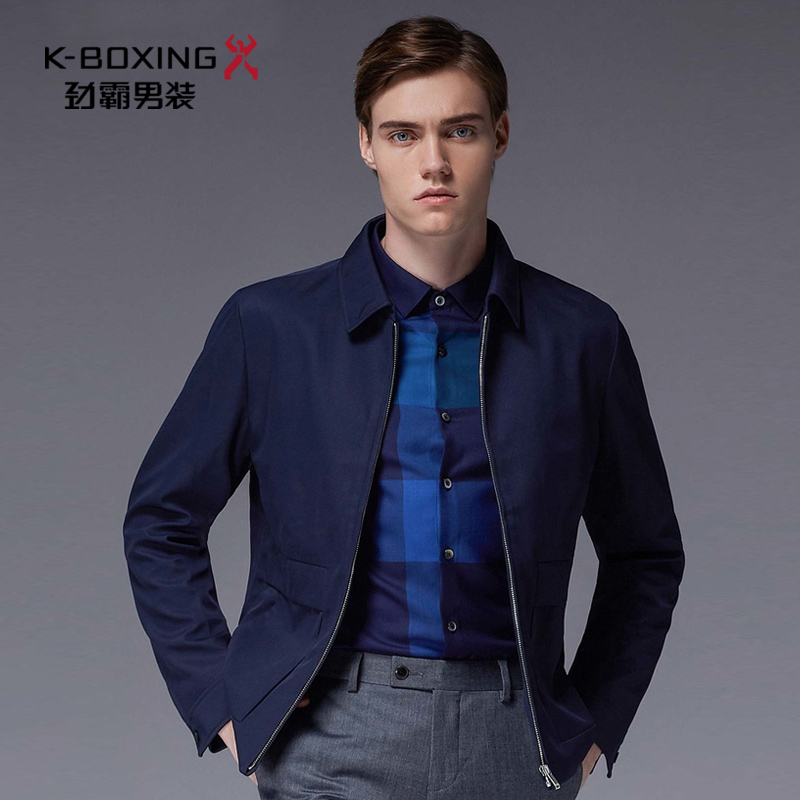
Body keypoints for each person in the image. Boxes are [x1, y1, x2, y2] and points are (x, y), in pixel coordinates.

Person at [123, 15, 685, 799]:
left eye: (460, 130)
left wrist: (592, 725)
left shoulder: (581, 336)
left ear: (500, 135)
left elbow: (645, 552)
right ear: (366, 145)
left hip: (513, 733)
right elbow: (161, 519)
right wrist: (221, 699)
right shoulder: (272, 327)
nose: (434, 162)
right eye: (402, 134)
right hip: (330, 733)